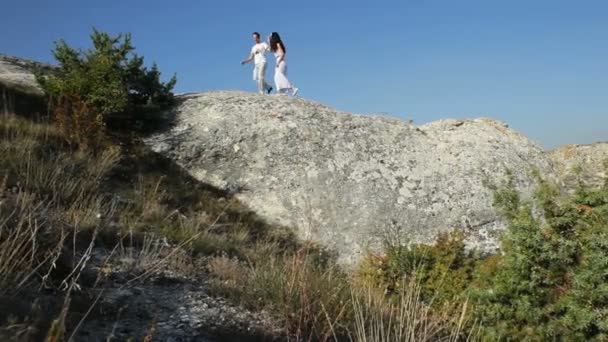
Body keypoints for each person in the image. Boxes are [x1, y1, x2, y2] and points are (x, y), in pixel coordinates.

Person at [269, 32, 298, 96]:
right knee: (278, 76)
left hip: (280, 61)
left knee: (278, 75)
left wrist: (278, 62)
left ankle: (293, 88)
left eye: (270, 36)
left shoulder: (278, 44)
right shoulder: (276, 44)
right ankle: (281, 92)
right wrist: (269, 40)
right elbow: (270, 49)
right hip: (281, 61)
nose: (269, 37)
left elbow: (282, 54)